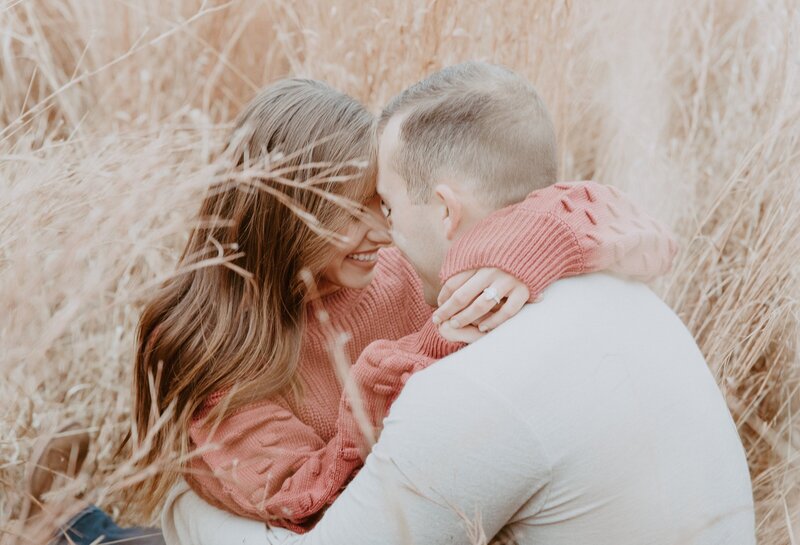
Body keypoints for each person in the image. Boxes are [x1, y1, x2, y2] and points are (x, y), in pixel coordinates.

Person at [162, 62, 756, 544]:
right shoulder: (225, 354)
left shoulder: (396, 272)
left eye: (384, 203)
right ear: (288, 214)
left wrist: (531, 243)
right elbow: (301, 506)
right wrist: (184, 515)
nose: (381, 228)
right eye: (355, 210)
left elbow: (602, 215)